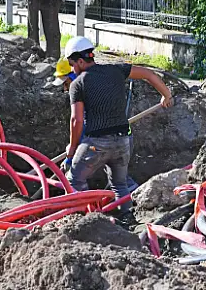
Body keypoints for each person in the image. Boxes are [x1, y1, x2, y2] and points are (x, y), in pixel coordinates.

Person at [63, 36, 172, 220]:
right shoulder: (115, 70)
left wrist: (72, 150)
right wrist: (166, 95)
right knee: (120, 184)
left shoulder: (78, 84)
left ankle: (84, 220)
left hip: (96, 143)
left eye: (73, 64)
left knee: (74, 179)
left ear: (80, 61)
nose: (73, 69)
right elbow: (148, 74)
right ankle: (128, 220)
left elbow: (76, 120)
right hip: (123, 141)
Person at [53, 59, 140, 193]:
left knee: (75, 179)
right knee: (119, 180)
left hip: (106, 139)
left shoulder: (83, 88)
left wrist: (71, 156)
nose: (65, 89)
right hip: (121, 138)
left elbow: (79, 123)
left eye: (66, 83)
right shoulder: (94, 84)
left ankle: (78, 208)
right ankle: (131, 200)